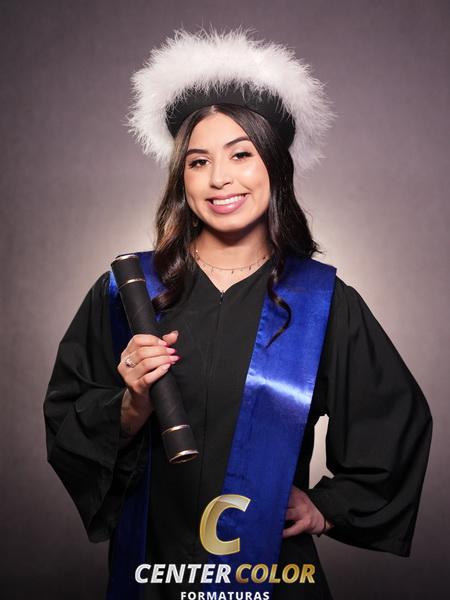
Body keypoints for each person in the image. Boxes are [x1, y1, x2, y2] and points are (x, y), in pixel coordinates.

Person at [43, 28, 432, 600]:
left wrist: (326, 506)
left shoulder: (320, 301)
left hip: (270, 574)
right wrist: (130, 404)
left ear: (273, 165)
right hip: (153, 572)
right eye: (198, 161)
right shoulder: (128, 293)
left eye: (241, 154)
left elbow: (392, 423)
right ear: (182, 178)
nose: (219, 178)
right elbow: (67, 423)